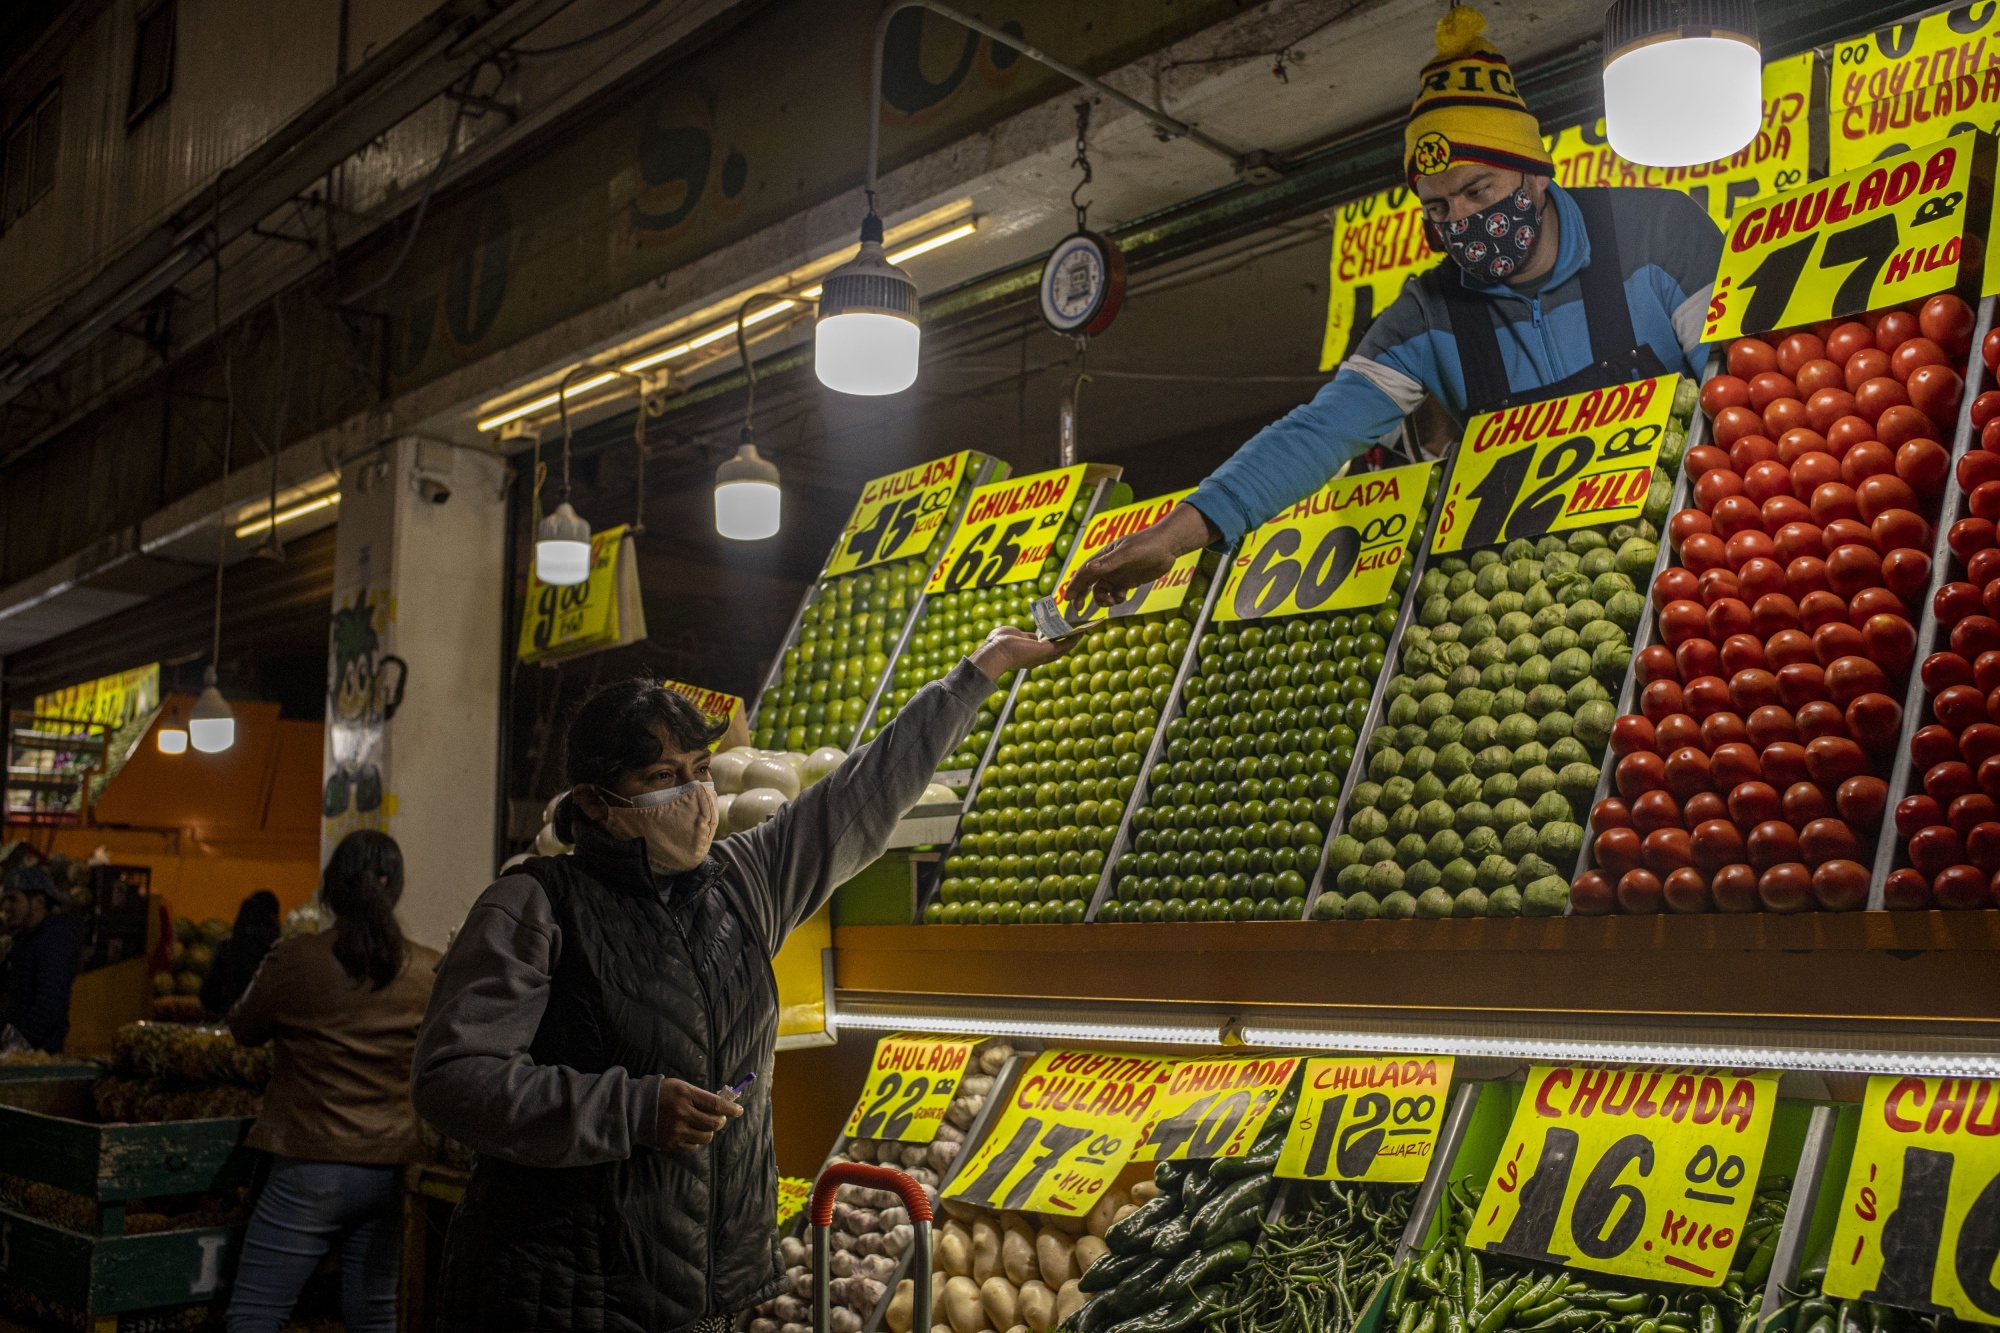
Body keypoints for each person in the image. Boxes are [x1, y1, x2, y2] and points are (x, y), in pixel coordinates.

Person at [412, 624, 1067, 1333]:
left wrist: (979, 670)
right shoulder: (534, 905)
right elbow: (452, 1078)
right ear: (596, 800)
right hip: (563, 1294)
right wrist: (630, 1109)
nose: (694, 796)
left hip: (708, 1299)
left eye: (700, 769)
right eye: (663, 778)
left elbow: (864, 792)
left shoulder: (742, 884)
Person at [1073, 5, 1725, 606]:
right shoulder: (1428, 312)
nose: (1462, 220)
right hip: (1538, 600)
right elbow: (1317, 432)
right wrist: (1173, 535)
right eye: (1438, 209)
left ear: (1534, 169)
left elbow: (1737, 387)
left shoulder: (1658, 231)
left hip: (1705, 555)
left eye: (1477, 190)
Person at [223, 831, 440, 1333]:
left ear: (331, 889)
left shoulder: (294, 959)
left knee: (256, 1313)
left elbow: (242, 1028)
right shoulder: (429, 970)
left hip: (310, 1168)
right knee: (375, 1312)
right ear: (396, 888)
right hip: (392, 1166)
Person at [1, 863, 83, 1054]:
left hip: (37, 1058)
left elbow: (50, 1002)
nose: (6, 907)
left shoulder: (55, 940)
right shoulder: (23, 941)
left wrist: (19, 1046)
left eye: (13, 899)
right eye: (4, 900)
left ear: (38, 901)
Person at [200, 889, 281, 1017]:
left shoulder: (226, 946)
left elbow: (207, 997)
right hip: (267, 1026)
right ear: (273, 916)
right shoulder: (280, 950)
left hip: (230, 1021)